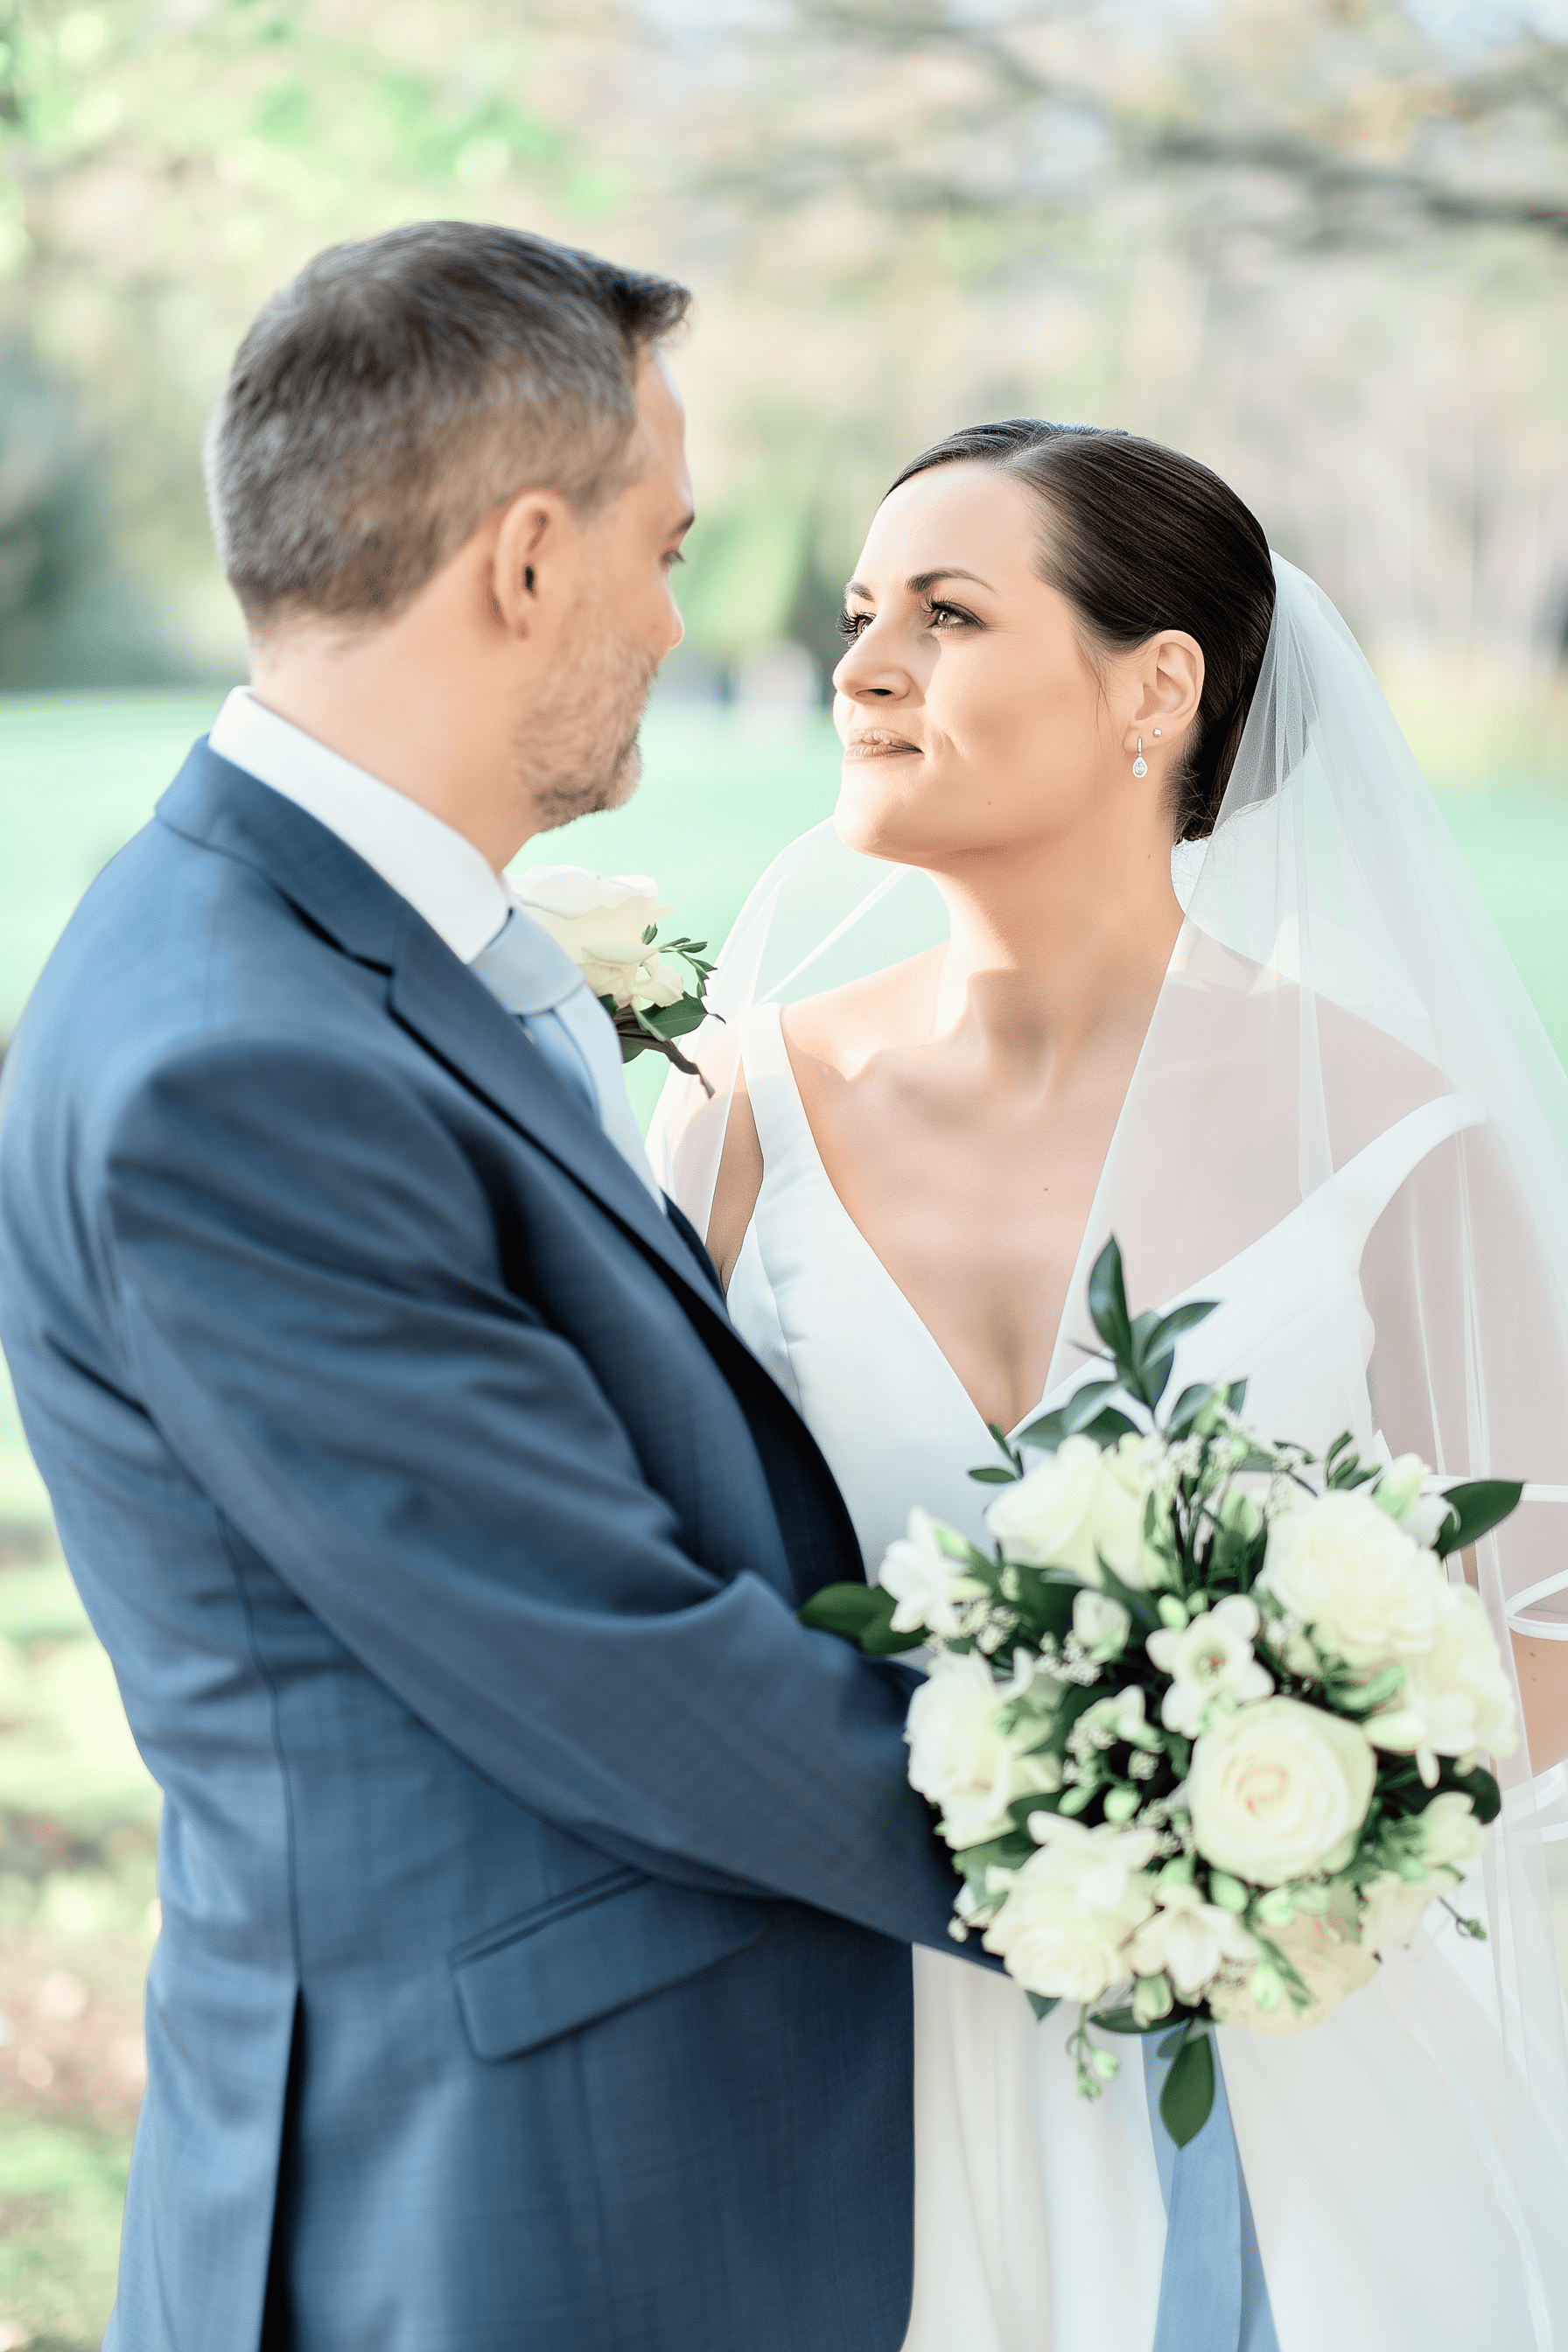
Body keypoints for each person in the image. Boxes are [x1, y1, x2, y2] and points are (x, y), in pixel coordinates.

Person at [0, 223, 985, 2352]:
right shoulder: (236, 1064)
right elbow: (604, 1658)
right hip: (490, 2214)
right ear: (528, 559)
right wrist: (1117, 1842)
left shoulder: (330, 949)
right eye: (664, 547)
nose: (676, 618)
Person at [655, 422, 1568, 2351]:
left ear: (1154, 689)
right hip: (850, 2052)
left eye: (947, 614)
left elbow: (1545, 1632)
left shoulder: (1387, 1134)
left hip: (1290, 2069)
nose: (862, 666)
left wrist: (1254, 1841)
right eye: (860, 614)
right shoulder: (736, 1114)